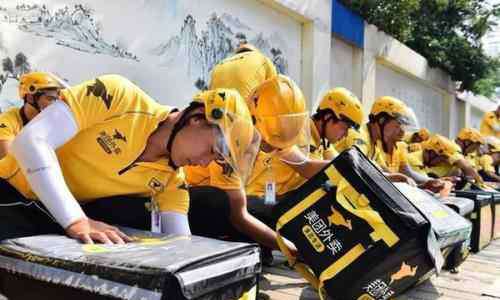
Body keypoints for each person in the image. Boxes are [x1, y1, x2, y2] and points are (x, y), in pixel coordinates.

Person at [2, 74, 259, 245]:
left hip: (52, 214)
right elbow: (30, 142)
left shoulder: (173, 182)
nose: (206, 163)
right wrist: (77, 220)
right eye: (213, 150)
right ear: (197, 118)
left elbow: (181, 245)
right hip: (10, 190)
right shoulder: (119, 95)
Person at [187, 75, 328, 256]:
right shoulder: (228, 135)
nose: (275, 149)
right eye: (272, 143)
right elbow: (237, 214)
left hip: (232, 203)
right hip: (194, 202)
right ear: (254, 120)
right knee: (228, 203)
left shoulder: (273, 131)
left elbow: (305, 165)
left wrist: (347, 165)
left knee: (275, 205)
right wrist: (291, 249)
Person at [363, 96, 446, 193]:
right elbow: (378, 173)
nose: (402, 131)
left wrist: (427, 184)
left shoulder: (390, 145)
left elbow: (403, 173)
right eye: (398, 125)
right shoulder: (366, 138)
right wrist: (401, 179)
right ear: (382, 120)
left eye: (404, 126)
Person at [0, 71, 65, 159]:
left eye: (56, 99)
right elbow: (7, 162)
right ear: (30, 98)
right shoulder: (7, 121)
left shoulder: (53, 123)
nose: (54, 104)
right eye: (50, 98)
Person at [311, 87, 365, 160]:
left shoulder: (322, 141)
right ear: (328, 117)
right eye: (344, 127)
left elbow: (337, 162)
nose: (346, 134)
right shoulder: (302, 135)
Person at [407, 134, 482, 183]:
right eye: (441, 157)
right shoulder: (412, 159)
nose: (443, 160)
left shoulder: (446, 156)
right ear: (431, 152)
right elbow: (424, 181)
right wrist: (444, 181)